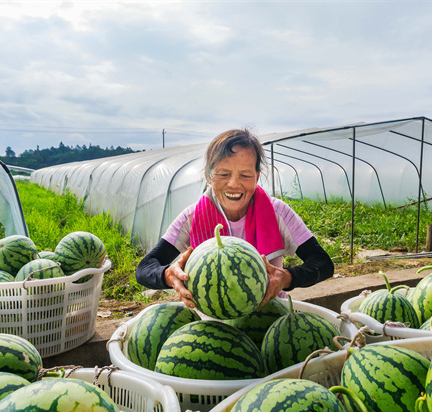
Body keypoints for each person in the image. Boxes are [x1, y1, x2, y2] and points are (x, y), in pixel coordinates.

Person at [136, 129, 334, 308]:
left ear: (257, 176)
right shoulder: (192, 217)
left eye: (245, 175)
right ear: (208, 175)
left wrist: (287, 278)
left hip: (269, 314)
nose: (234, 184)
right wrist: (168, 275)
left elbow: (323, 263)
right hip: (212, 321)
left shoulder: (277, 212)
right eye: (224, 174)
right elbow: (145, 268)